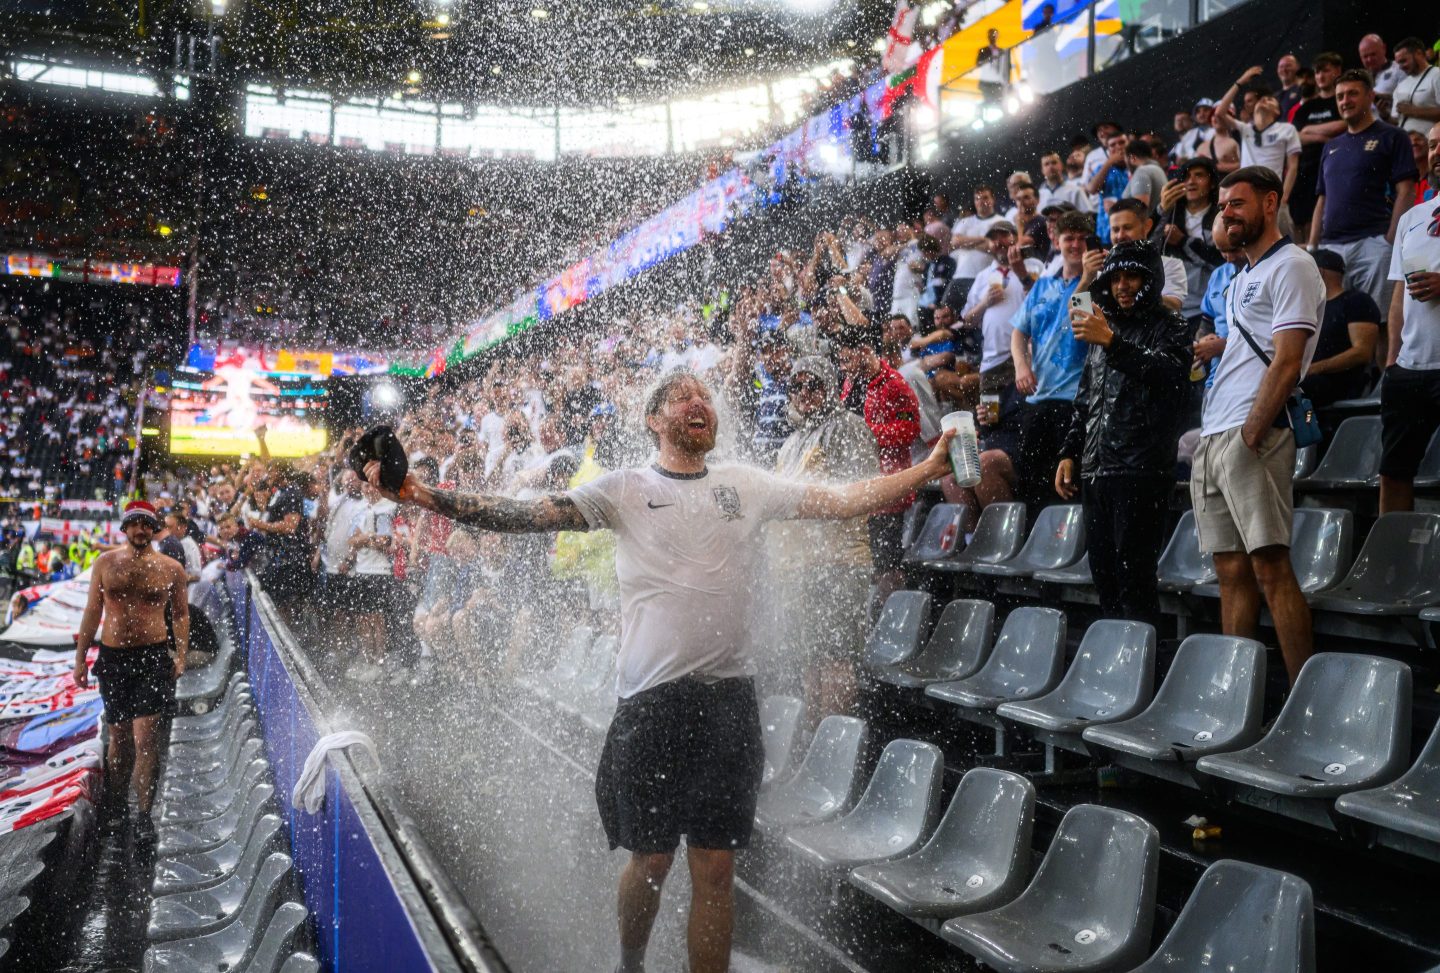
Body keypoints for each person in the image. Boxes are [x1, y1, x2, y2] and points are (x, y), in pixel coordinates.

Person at [359, 369, 955, 973]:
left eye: (705, 395)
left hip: (729, 703)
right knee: (651, 863)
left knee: (716, 867)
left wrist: (926, 471)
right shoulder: (624, 488)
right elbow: (523, 514)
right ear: (652, 420)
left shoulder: (745, 485)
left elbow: (845, 499)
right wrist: (420, 495)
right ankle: (631, 964)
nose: (699, 402)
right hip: (650, 705)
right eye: (681, 396)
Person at [1192, 166, 1325, 685]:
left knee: (1271, 568)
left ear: (1271, 203)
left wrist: (1251, 433)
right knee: (1230, 575)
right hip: (1216, 432)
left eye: (1238, 204)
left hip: (1254, 432)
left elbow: (1288, 362)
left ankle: (1305, 702)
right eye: (1223, 206)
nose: (1227, 213)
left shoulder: (1292, 265)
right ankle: (1236, 697)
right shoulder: (1241, 276)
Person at [1056, 241, 1194, 626]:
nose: (1122, 285)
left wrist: (1113, 344)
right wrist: (1070, 451)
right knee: (1104, 579)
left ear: (1151, 278)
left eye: (1132, 275)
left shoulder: (1173, 326)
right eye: (1115, 277)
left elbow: (1171, 379)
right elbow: (1085, 398)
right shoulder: (1104, 328)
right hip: (1095, 470)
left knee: (1135, 580)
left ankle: (1142, 675)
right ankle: (1118, 669)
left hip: (1142, 473)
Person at [770, 356, 880, 722]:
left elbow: (863, 491)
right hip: (800, 565)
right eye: (796, 386)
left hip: (839, 560)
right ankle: (814, 740)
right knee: (809, 656)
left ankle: (835, 753)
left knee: (835, 657)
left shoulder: (847, 428)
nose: (804, 393)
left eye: (813, 384)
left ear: (829, 386)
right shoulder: (792, 441)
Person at [73, 500, 190, 819]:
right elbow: (93, 611)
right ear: (124, 528)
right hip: (114, 658)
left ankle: (143, 815)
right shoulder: (105, 563)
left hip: (151, 658)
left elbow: (180, 615)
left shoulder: (171, 568)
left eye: (145, 523)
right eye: (134, 523)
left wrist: (180, 654)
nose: (140, 529)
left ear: (154, 528)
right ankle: (117, 807)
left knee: (146, 739)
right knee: (120, 739)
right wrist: (80, 659)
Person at [1309, 69, 1419, 310]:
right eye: (1340, 96)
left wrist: (1390, 240)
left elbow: (1407, 191)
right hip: (1330, 248)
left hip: (1374, 243)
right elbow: (1322, 200)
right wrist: (1313, 248)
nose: (1345, 101)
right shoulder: (1330, 146)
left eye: (1352, 94)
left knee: (1379, 322)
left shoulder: (1393, 136)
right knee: (1331, 326)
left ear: (1370, 96)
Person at [1011, 210, 1097, 508]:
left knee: (1070, 490)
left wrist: (1087, 278)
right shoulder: (1043, 285)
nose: (1075, 245)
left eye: (1082, 239)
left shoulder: (1101, 285)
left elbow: (1083, 327)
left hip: (1076, 401)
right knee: (1031, 486)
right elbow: (1018, 332)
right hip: (1038, 400)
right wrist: (1021, 365)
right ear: (1056, 242)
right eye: (1069, 238)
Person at [834, 326, 922, 601]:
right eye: (841, 361)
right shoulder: (849, 384)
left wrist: (869, 435)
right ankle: (871, 617)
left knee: (887, 565)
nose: (844, 367)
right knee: (864, 562)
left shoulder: (894, 383)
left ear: (865, 352)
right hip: (857, 486)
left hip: (887, 490)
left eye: (848, 360)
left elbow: (911, 429)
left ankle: (892, 618)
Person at [1380, 124, 1440, 514]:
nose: (1436, 150)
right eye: (1433, 144)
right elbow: (1399, 296)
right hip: (1409, 369)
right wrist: (1392, 362)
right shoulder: (1413, 217)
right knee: (1394, 472)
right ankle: (1392, 565)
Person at [1214, 67, 1302, 229]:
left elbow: (1293, 166)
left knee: (1284, 243)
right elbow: (1219, 112)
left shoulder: (1287, 129)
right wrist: (1240, 82)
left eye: (1270, 100)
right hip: (1244, 195)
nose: (1264, 100)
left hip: (1272, 195)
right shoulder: (1245, 129)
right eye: (1261, 99)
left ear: (1277, 112)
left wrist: (1284, 197)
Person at [1300, 249, 1382, 411]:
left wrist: (1314, 368)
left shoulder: (1356, 301)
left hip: (1338, 383)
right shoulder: (1310, 308)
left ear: (1319, 272)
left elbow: (1362, 352)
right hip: (1310, 380)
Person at [339, 480, 397, 683]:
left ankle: (380, 662)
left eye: (373, 486)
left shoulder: (387, 508)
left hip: (379, 571)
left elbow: (385, 542)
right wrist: (369, 537)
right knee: (363, 618)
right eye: (366, 486)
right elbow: (351, 540)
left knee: (377, 620)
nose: (370, 490)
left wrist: (364, 538)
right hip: (361, 570)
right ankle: (368, 660)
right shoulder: (361, 510)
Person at [1159, 157, 1224, 326]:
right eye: (1186, 177)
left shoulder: (1221, 217)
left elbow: (1221, 260)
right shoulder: (1170, 214)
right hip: (1171, 305)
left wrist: (1183, 241)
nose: (1191, 182)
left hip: (1206, 308)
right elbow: (1148, 247)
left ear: (1211, 183)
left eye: (1199, 176)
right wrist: (1161, 210)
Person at [1107, 198, 1187, 311]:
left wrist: (1135, 291)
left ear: (1147, 226)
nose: (1120, 236)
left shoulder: (1169, 265)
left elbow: (1173, 307)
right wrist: (1087, 279)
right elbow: (1080, 315)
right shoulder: (1104, 268)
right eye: (1115, 230)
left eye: (1127, 228)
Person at [947, 186, 1004, 310]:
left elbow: (994, 247)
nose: (981, 201)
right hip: (960, 276)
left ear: (993, 199)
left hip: (984, 277)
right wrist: (983, 239)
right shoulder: (965, 221)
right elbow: (955, 242)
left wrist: (966, 241)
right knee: (946, 314)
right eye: (977, 198)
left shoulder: (1001, 221)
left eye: (985, 197)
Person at [1392, 37, 1440, 137]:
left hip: (1431, 147)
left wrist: (1413, 111)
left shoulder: (1437, 75)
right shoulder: (1401, 85)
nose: (1401, 67)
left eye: (1403, 61)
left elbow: (1408, 111)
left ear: (1419, 54)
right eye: (1398, 63)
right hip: (1406, 147)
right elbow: (1396, 120)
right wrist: (1384, 115)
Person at [1359, 33, 1407, 119]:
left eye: (1373, 54)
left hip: (1395, 126)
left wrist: (1382, 97)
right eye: (1365, 56)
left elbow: (1410, 100)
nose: (1369, 59)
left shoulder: (1400, 69)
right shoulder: (1359, 78)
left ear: (1383, 48)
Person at [1276, 53, 1304, 119]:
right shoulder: (1274, 96)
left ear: (1298, 68)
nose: (1284, 70)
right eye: (1281, 67)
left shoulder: (1305, 91)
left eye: (1288, 66)